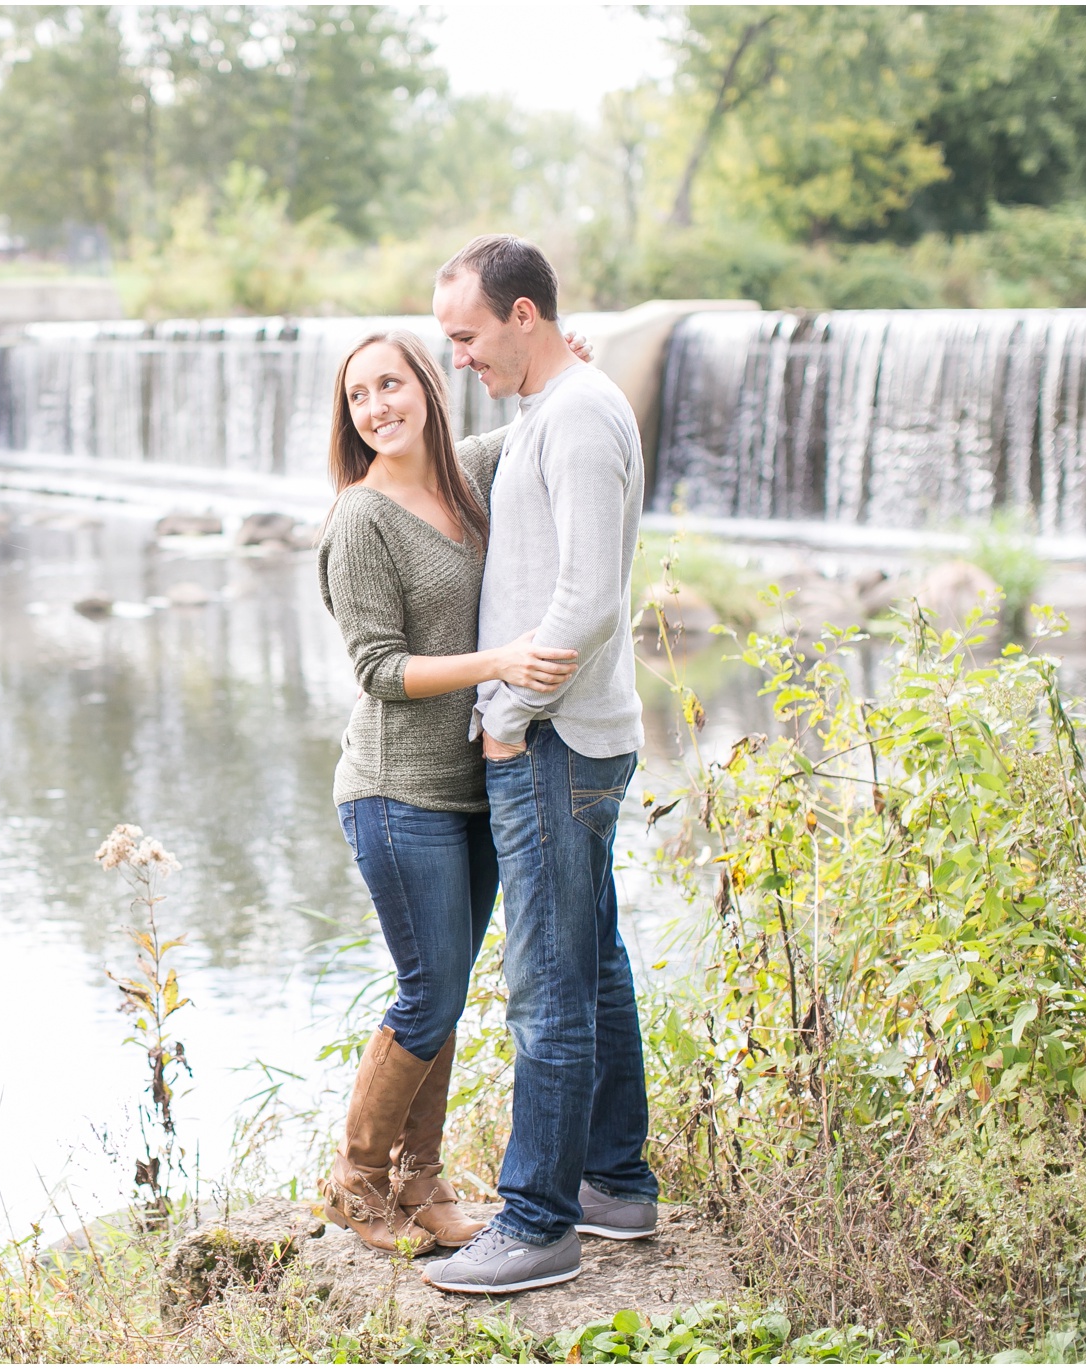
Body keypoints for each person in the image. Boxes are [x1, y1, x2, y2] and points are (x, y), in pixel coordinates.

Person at [315, 327, 589, 1255]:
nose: (377, 406)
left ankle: (420, 1183)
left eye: (390, 384)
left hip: (473, 786)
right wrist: (504, 658)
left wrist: (565, 356)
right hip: (396, 793)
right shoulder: (360, 518)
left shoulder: (471, 474)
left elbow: (549, 417)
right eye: (359, 397)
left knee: (448, 991)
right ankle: (356, 1181)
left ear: (428, 386)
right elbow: (379, 669)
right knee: (428, 990)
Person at [420, 235, 657, 1296]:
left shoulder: (576, 415)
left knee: (547, 988)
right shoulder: (558, 404)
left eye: (466, 337)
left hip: (553, 741)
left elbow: (589, 597)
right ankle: (612, 1181)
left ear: (522, 317)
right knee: (591, 962)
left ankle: (536, 1221)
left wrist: (508, 714)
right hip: (565, 736)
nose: (456, 356)